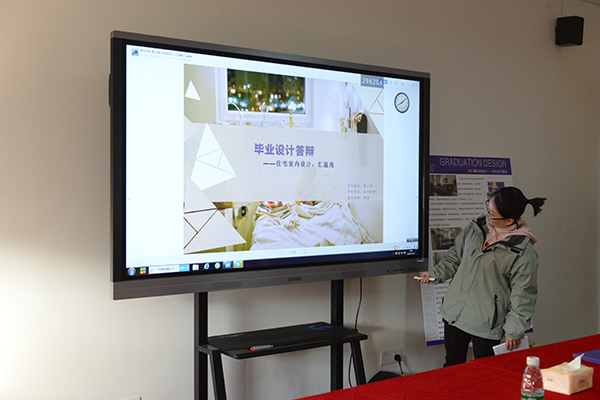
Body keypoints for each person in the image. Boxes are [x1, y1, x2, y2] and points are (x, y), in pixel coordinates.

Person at [420, 186, 546, 366]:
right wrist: (435, 275)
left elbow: (523, 294)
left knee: (485, 372)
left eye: (492, 214)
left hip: (487, 323)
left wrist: (514, 330)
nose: (487, 215)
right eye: (488, 208)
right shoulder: (476, 227)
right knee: (452, 367)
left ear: (509, 220)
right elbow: (455, 256)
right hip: (456, 313)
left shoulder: (523, 251)